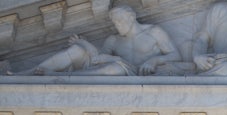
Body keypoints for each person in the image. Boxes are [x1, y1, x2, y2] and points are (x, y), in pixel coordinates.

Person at [30, 5, 182, 75]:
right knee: (77, 51)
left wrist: (153, 61)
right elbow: (97, 59)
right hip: (116, 66)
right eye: (115, 22)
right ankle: (30, 72)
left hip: (134, 72)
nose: (117, 25)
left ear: (131, 17)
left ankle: (59, 76)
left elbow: (176, 56)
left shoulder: (154, 32)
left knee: (115, 68)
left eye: (120, 20)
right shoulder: (113, 40)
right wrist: (84, 43)